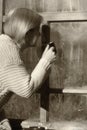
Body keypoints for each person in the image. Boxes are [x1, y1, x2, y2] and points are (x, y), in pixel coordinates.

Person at [0, 8, 56, 130]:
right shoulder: (8, 53)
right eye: (38, 31)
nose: (41, 35)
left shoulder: (4, 44)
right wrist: (45, 61)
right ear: (27, 32)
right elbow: (26, 89)